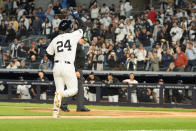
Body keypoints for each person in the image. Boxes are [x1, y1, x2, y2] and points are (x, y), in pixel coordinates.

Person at [46, 8, 87, 118]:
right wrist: (76, 16)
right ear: (70, 28)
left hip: (57, 66)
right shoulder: (73, 35)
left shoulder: (55, 39)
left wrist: (55, 59)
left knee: (58, 90)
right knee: (73, 90)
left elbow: (48, 53)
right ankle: (61, 95)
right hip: (68, 66)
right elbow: (84, 27)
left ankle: (55, 114)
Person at [60, 35, 90, 112]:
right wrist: (75, 70)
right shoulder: (76, 46)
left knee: (80, 89)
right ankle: (63, 104)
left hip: (78, 69)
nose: (84, 41)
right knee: (73, 88)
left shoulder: (80, 46)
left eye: (85, 41)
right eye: (83, 40)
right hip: (74, 69)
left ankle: (80, 106)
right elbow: (72, 59)